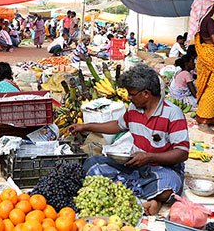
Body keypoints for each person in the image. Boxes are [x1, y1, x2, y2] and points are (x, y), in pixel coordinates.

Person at [71, 65, 190, 216]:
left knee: (169, 187)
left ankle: (142, 193)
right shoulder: (134, 109)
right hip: (135, 166)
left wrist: (149, 157)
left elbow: (182, 153)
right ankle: (149, 196)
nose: (129, 97)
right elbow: (117, 125)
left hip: (162, 168)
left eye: (132, 94)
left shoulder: (173, 113)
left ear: (146, 94)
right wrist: (86, 126)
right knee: (92, 164)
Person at [189, 14, 214, 126]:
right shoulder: (209, 21)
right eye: (212, 6)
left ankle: (212, 118)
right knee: (212, 90)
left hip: (207, 57)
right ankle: (204, 121)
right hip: (212, 58)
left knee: (210, 88)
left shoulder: (201, 22)